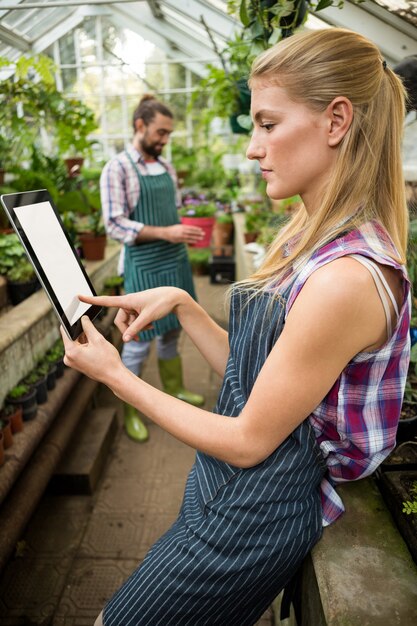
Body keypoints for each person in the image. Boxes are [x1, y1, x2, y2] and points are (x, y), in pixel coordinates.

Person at [62, 28, 411, 626]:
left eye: (268, 124)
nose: (253, 148)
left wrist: (116, 377)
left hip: (255, 512)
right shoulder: (309, 233)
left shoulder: (346, 277)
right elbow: (262, 382)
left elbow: (250, 438)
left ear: (336, 121)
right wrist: (185, 304)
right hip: (223, 491)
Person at [100, 94, 205, 443]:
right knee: (139, 338)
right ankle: (133, 409)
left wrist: (179, 232)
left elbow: (169, 211)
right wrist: (167, 232)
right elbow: (114, 225)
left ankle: (174, 390)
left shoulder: (166, 167)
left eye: (168, 134)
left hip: (174, 261)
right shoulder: (118, 168)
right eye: (160, 133)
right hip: (143, 265)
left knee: (174, 329)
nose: (164, 140)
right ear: (139, 125)